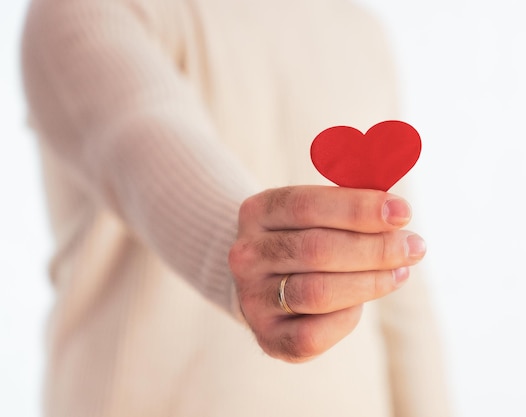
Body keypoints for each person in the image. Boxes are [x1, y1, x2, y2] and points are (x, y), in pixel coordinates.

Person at [21, 0, 450, 415]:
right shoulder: (82, 7)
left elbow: (399, 287)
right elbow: (145, 144)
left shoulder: (359, 31)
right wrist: (255, 255)